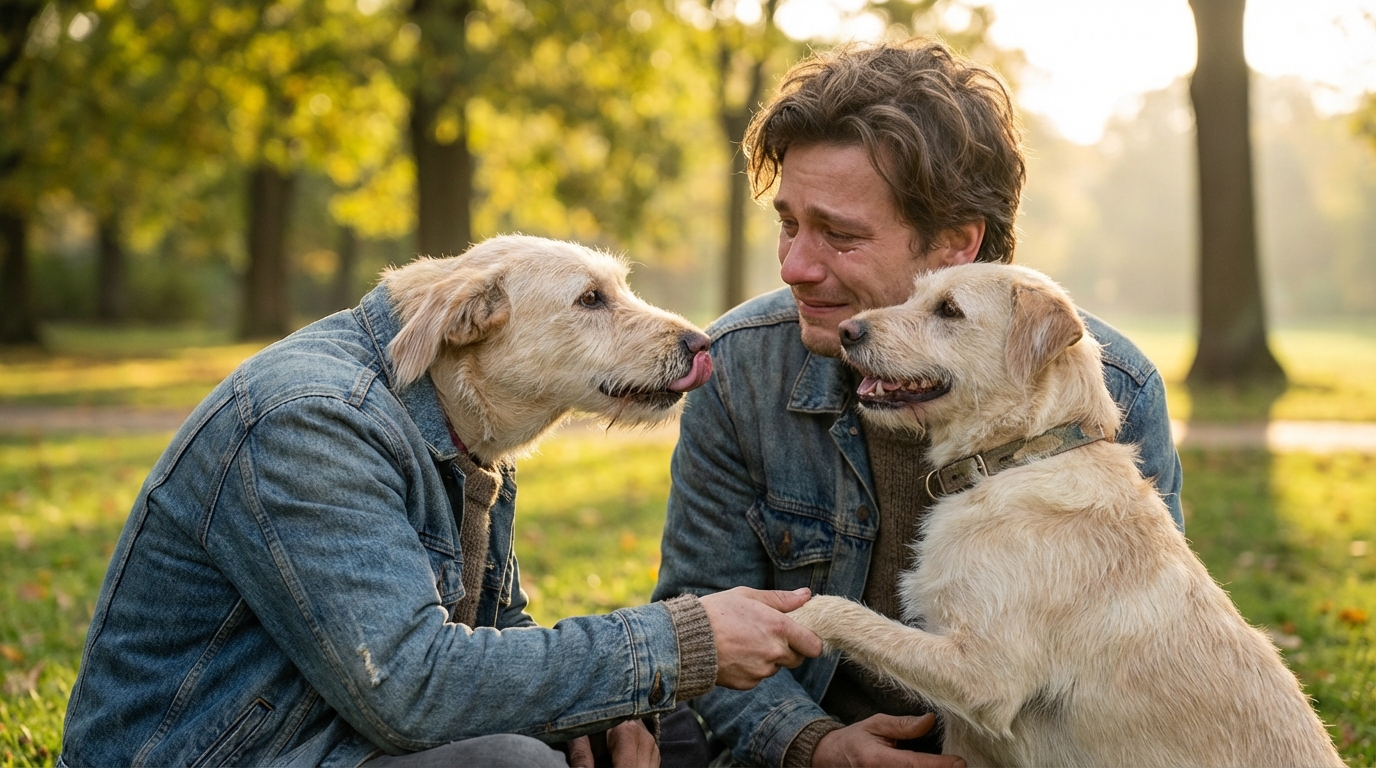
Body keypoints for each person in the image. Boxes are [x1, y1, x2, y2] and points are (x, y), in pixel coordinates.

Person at [58, 259, 823, 768]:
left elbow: (492, 631)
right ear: (469, 324)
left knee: (658, 731)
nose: (670, 330)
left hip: (337, 729)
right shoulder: (313, 419)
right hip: (231, 754)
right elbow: (410, 688)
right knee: (512, 764)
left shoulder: (467, 428)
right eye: (593, 302)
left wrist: (602, 704)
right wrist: (677, 642)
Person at [653, 39, 1184, 768]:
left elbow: (1139, 671)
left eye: (840, 235)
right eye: (788, 223)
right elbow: (694, 617)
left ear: (956, 244)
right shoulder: (741, 366)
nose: (795, 266)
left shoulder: (1108, 389)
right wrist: (813, 744)